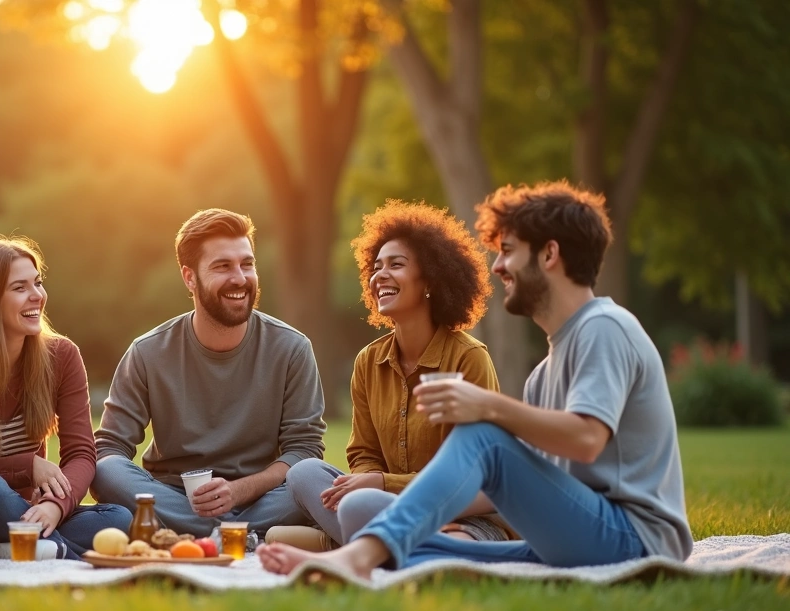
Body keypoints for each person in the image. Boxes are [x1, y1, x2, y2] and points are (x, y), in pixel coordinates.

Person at [258, 181, 692, 577]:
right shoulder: (546, 371)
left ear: (549, 254)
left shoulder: (603, 326)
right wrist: (425, 504)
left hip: (635, 539)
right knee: (386, 524)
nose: (499, 266)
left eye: (508, 250)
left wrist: (486, 408)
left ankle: (354, 556)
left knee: (481, 438)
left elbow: (586, 438)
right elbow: (531, 482)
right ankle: (363, 551)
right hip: (577, 532)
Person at [270, 201, 513, 551]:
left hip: (459, 512)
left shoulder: (468, 359)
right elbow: (363, 452)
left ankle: (347, 543)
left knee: (361, 507)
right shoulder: (369, 362)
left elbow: (472, 473)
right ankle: (402, 546)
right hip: (383, 505)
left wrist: (383, 483)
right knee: (304, 473)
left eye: (395, 265)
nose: (379, 275)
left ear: (429, 279)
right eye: (376, 266)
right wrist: (369, 481)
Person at [91, 208, 327, 539]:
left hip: (261, 499)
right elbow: (110, 449)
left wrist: (241, 490)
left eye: (247, 263)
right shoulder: (148, 352)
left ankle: (202, 533)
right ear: (189, 277)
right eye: (222, 266)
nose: (240, 278)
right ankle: (237, 535)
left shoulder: (291, 349)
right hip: (174, 499)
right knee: (106, 471)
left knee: (313, 475)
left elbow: (304, 450)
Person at [0, 236, 131, 561]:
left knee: (117, 518)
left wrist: (55, 507)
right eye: (20, 288)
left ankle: (22, 547)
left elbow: (82, 454)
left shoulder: (61, 356)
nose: (37, 297)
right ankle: (48, 549)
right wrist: (25, 467)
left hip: (31, 510)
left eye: (38, 283)